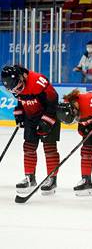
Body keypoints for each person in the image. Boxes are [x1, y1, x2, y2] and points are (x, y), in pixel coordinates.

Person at [1, 65, 60, 195]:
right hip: (31, 117)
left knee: (49, 148)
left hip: (48, 114)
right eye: (13, 89)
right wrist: (20, 114)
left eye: (18, 86)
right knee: (28, 147)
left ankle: (52, 178)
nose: (16, 90)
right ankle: (30, 178)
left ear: (23, 77)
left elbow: (53, 99)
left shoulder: (38, 81)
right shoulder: (15, 84)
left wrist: (47, 120)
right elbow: (21, 100)